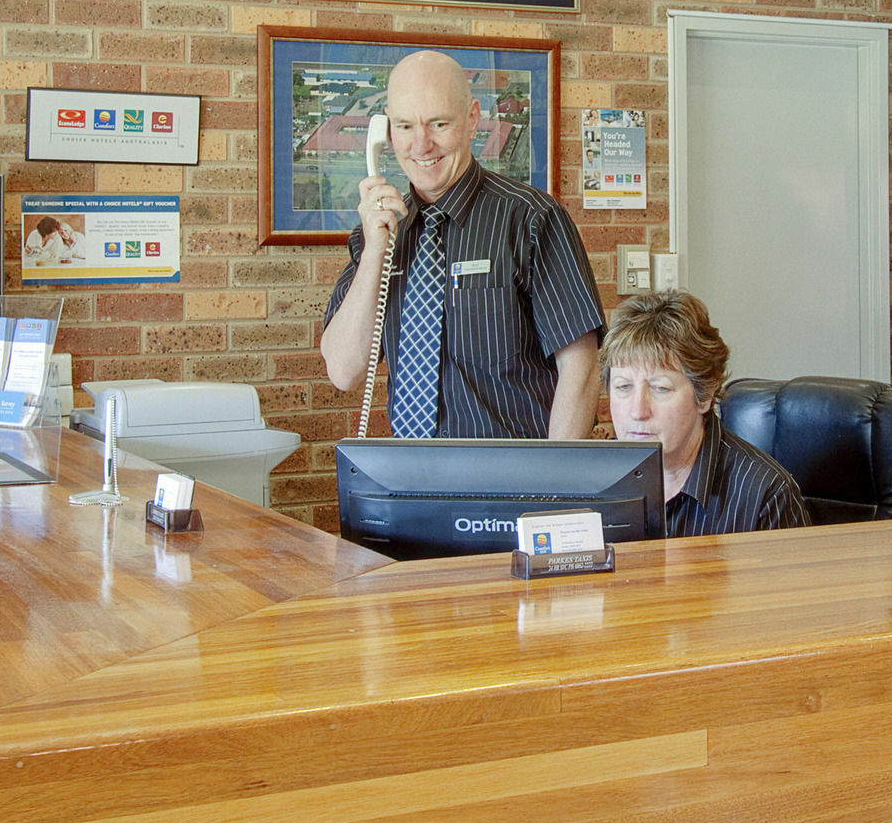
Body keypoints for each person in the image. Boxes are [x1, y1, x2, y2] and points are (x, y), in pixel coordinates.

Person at [321, 50, 604, 439]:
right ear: (386, 131)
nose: (421, 145)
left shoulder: (531, 219)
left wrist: (552, 487)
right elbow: (343, 371)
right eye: (404, 126)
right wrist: (374, 253)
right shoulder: (379, 234)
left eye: (438, 123)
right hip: (413, 481)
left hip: (514, 481)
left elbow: (582, 369)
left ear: (472, 119)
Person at [602, 291, 810, 538]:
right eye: (623, 387)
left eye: (660, 389)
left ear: (705, 396)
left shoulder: (765, 495)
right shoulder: (587, 479)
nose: (637, 412)